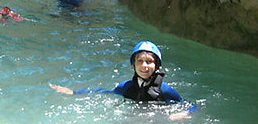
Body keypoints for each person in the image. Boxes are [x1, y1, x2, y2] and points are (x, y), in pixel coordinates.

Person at [49, 41, 194, 119]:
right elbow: (102, 92)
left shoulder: (165, 90)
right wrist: (74, 92)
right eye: (140, 61)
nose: (144, 66)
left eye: (149, 61)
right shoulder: (126, 87)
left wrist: (184, 113)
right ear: (133, 65)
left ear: (156, 66)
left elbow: (190, 105)